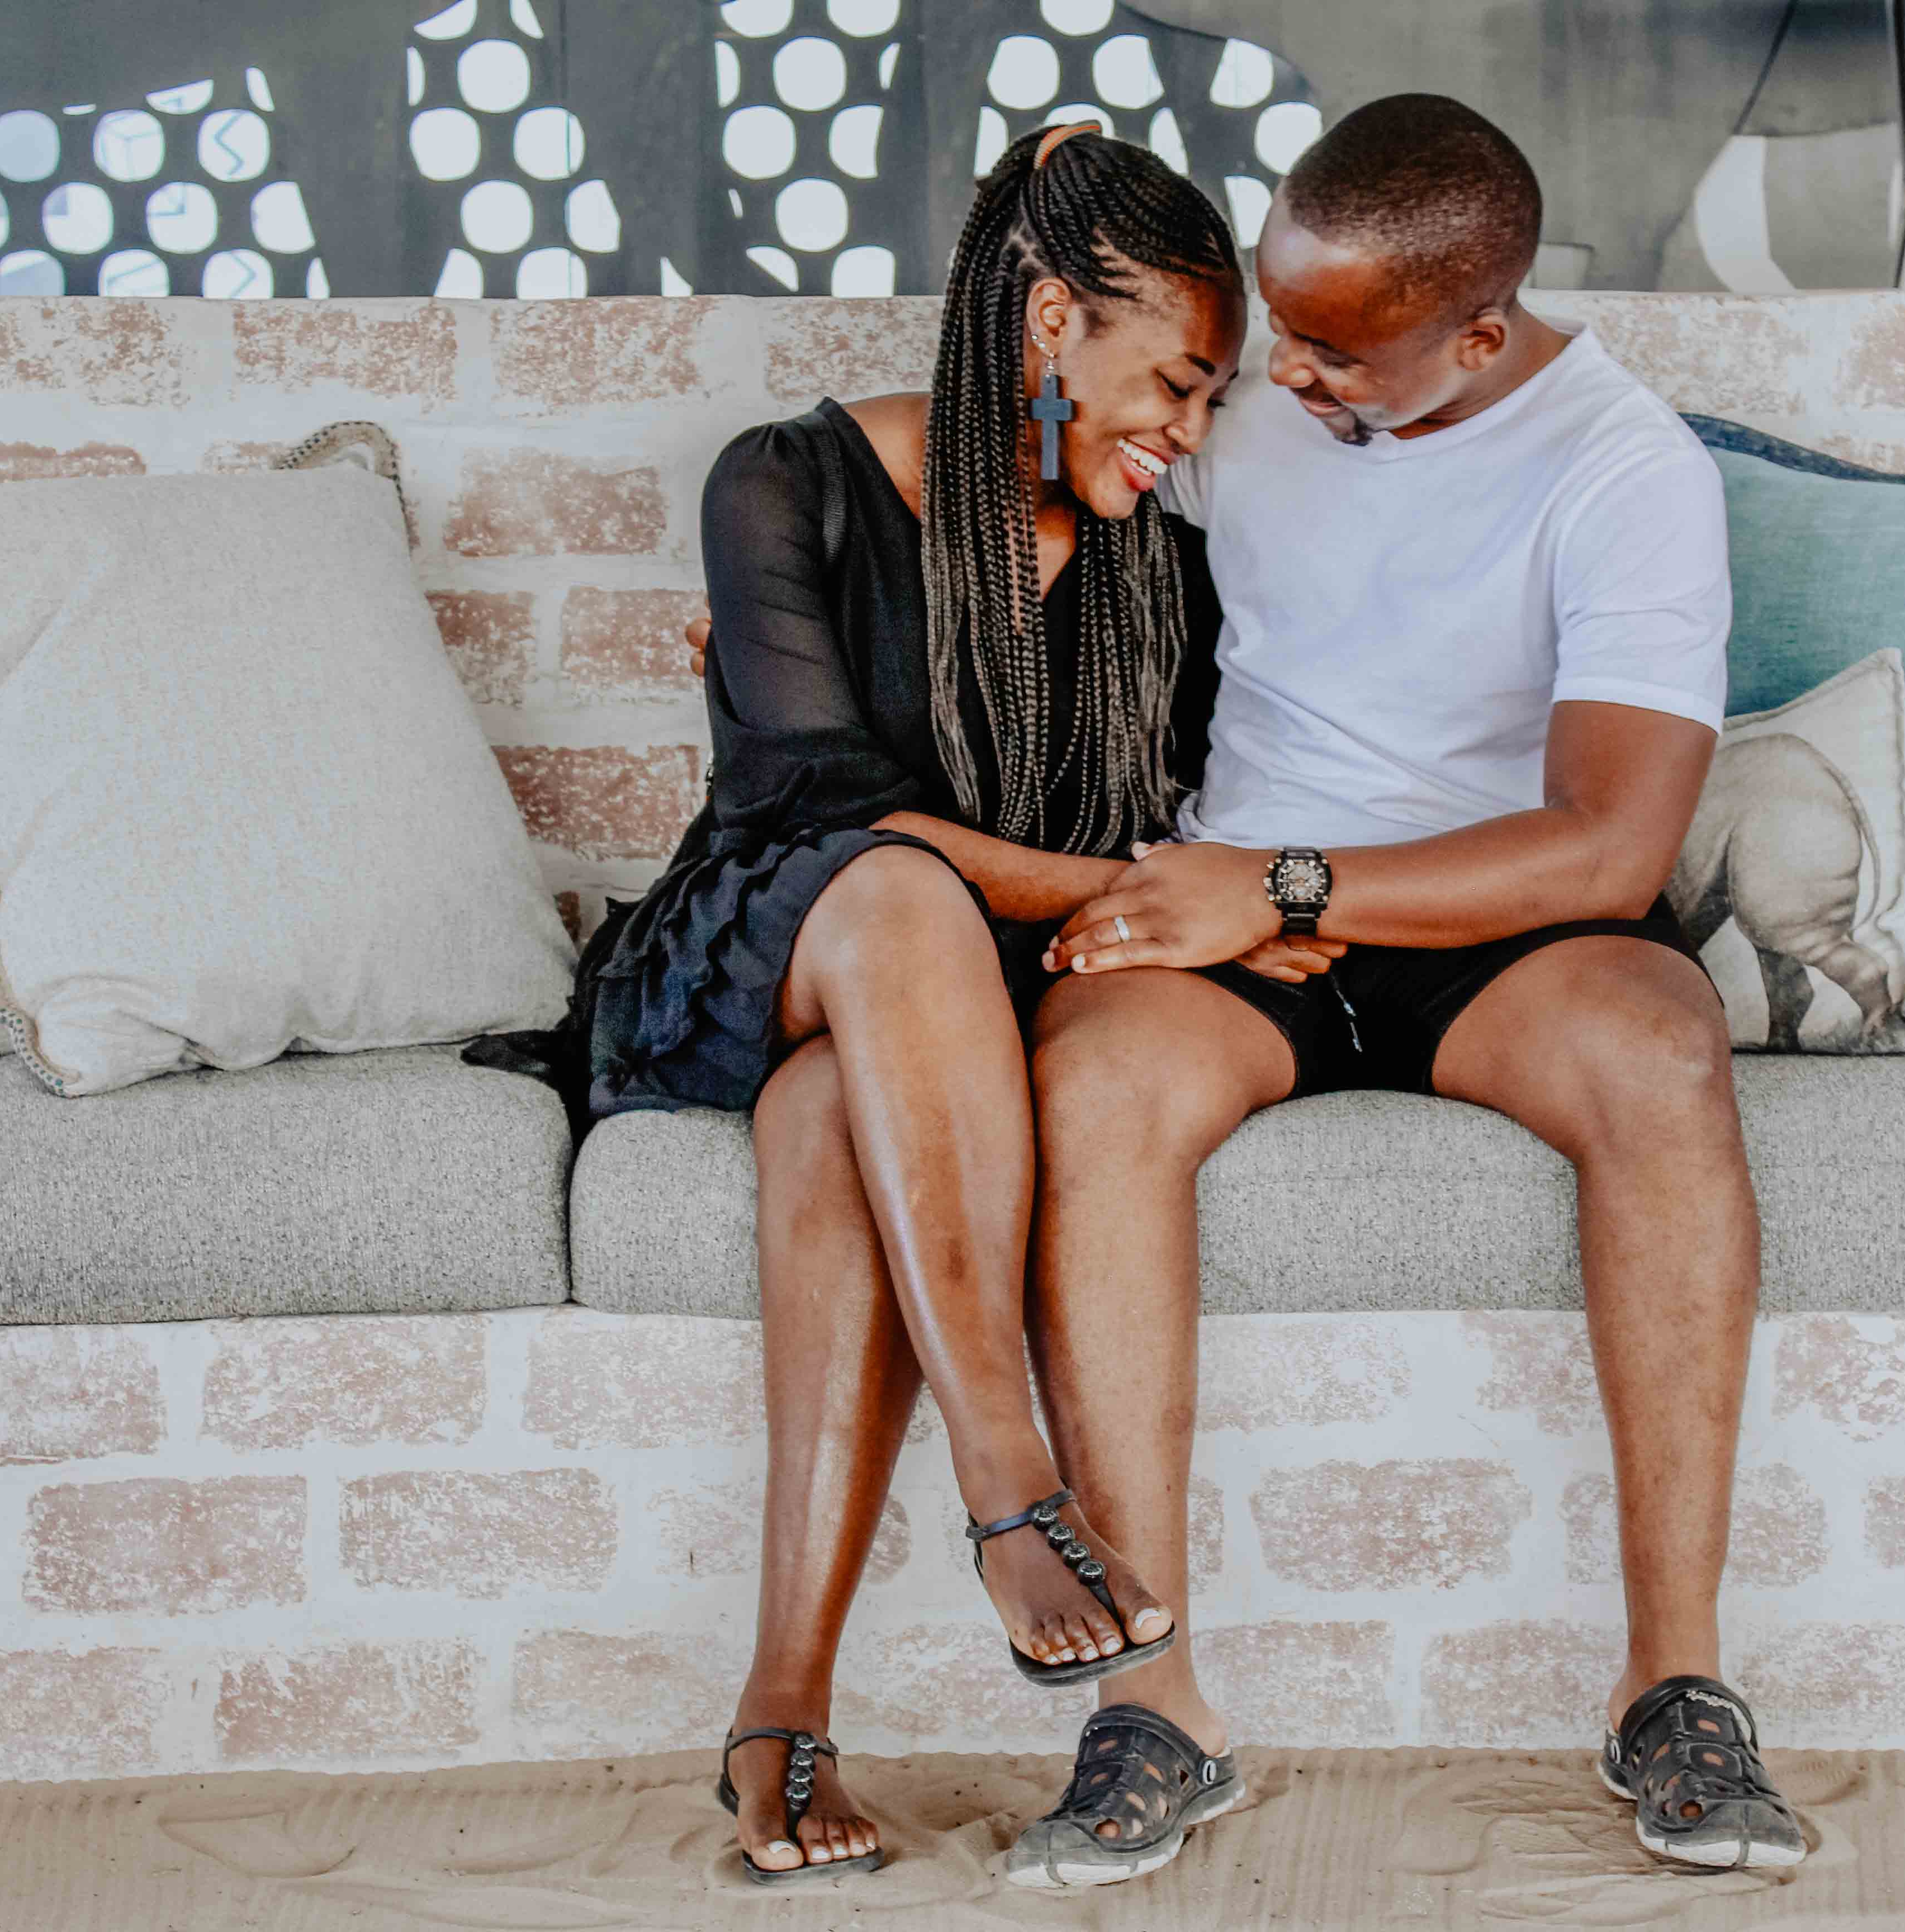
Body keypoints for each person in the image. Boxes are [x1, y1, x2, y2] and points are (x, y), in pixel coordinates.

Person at [469, 122, 1304, 1886]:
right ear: (1050, 320)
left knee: (844, 1116)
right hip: (763, 945)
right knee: (898, 886)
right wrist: (1135, 897)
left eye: (1215, 402)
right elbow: (829, 810)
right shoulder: (785, 482)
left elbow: (1175, 809)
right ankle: (1015, 1482)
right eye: (1174, 381)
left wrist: (1207, 897)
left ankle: (778, 1715)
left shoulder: (1162, 559)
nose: (1190, 434)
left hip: (933, 1020)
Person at [1004, 94, 1807, 1883]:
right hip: (1252, 925)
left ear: (1483, 332)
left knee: (1664, 1050)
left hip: (1492, 921)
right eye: (1272, 332)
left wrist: (1276, 883)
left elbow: (1609, 847)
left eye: (1339, 357)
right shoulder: (1272, 378)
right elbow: (1072, 379)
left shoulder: (1628, 471)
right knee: (1092, 1080)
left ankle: (1674, 1684)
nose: (1276, 384)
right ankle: (1155, 1706)